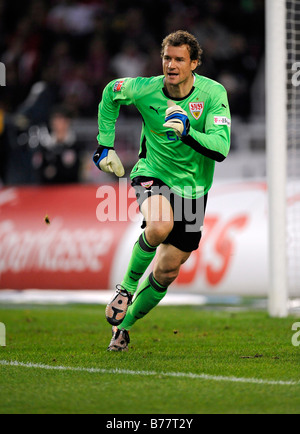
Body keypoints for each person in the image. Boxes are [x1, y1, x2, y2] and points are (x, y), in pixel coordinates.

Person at [93, 30, 231, 351]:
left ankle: (123, 327)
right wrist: (104, 145)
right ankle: (125, 289)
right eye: (167, 58)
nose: (171, 64)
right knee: (159, 225)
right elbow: (111, 92)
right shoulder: (145, 89)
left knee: (167, 271)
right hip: (151, 173)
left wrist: (187, 131)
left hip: (194, 192)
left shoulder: (213, 94)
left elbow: (221, 147)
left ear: (194, 63)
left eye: (179, 59)